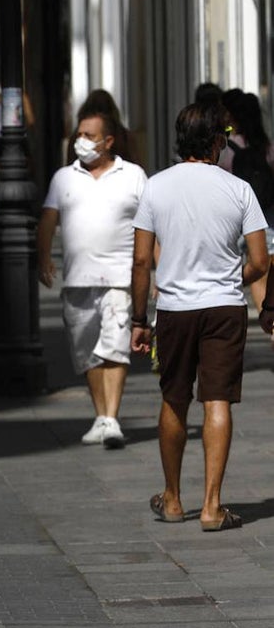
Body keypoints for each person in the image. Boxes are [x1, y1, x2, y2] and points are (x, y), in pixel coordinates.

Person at [130, 101, 269, 531]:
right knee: (218, 401)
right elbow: (262, 261)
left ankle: (172, 498)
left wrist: (139, 319)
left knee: (175, 398)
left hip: (174, 308)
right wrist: (232, 276)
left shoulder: (155, 187)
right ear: (217, 140)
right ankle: (212, 507)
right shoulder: (239, 189)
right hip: (225, 308)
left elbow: (140, 261)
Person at [37, 111, 147, 448]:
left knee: (115, 348)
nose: (79, 140)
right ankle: (102, 416)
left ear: (108, 141)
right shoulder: (63, 178)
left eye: (88, 134)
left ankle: (111, 418)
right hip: (77, 279)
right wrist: (43, 257)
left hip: (119, 278)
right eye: (78, 133)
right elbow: (47, 220)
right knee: (88, 354)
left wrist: (156, 270)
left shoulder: (134, 175)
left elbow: (149, 227)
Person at [218, 89, 274, 311]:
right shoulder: (266, 148)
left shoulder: (225, 148)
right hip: (269, 218)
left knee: (259, 276)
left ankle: (270, 326)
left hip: (239, 221)